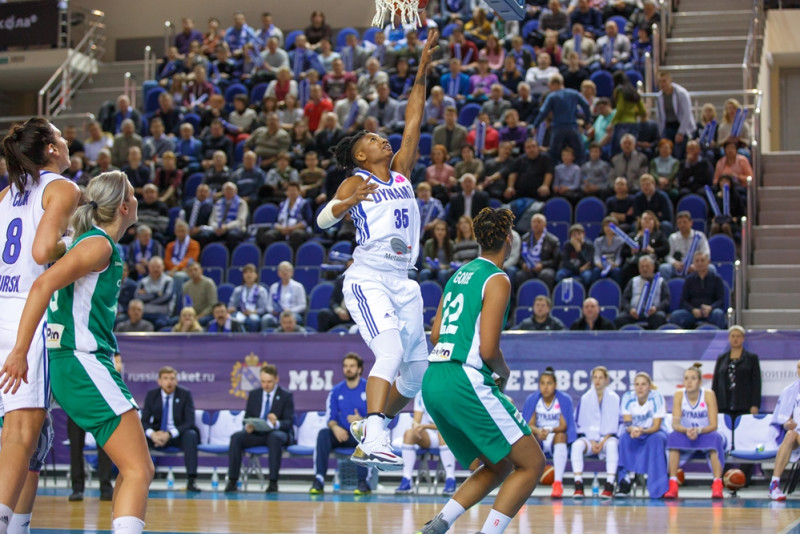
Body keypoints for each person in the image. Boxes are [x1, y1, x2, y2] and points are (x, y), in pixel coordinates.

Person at [0, 171, 153, 534]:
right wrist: (20, 351)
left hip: (79, 361)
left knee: (133, 468)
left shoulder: (90, 242)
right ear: (125, 206)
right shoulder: (97, 245)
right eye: (133, 192)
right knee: (138, 469)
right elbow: (41, 284)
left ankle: (15, 526)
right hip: (81, 360)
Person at [315, 30, 439, 471]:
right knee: (388, 352)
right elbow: (322, 220)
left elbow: (413, 121)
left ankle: (375, 426)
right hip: (368, 278)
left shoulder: (402, 172)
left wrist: (421, 73)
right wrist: (343, 204)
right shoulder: (357, 182)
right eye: (371, 138)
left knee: (418, 373)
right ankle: (376, 428)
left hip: (405, 281)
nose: (381, 138)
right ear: (361, 155)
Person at [416, 207, 544, 534]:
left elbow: (435, 334)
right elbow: (488, 350)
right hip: (464, 379)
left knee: (499, 463)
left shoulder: (458, 274)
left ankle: (440, 523)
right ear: (508, 241)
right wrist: (504, 373)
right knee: (532, 464)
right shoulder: (497, 278)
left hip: (434, 380)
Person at [0, 118, 81, 534]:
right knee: (22, 431)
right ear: (50, 148)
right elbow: (43, 249)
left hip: (2, 302)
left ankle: (19, 526)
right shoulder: (63, 188)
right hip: (26, 314)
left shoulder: (9, 192)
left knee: (30, 433)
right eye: (62, 136)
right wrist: (77, 238)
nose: (68, 142)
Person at [224, 363, 294, 493]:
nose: (266, 385)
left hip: (277, 433)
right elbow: (247, 416)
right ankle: (232, 481)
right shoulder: (254, 394)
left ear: (276, 380)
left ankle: (273, 482)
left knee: (275, 438)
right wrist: (248, 426)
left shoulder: (286, 396)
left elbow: (289, 422)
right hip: (257, 433)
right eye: (263, 382)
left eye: (269, 382)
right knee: (236, 438)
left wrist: (276, 423)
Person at [310, 353, 370, 494]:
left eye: (352, 366)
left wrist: (361, 421)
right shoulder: (336, 391)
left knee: (365, 436)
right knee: (323, 434)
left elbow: (378, 417)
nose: (348, 369)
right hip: (341, 434)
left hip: (360, 433)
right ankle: (319, 479)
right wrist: (335, 428)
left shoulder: (369, 388)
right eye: (345, 366)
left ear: (359, 369)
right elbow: (330, 417)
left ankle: (363, 482)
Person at [664, 363, 726, 500]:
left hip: (706, 433)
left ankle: (717, 484)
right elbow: (675, 424)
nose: (689, 382)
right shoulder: (679, 395)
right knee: (673, 437)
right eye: (686, 378)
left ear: (700, 381)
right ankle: (673, 483)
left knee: (715, 439)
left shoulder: (708, 395)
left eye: (693, 378)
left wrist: (698, 430)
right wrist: (687, 431)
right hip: (688, 434)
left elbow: (713, 425)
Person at [140, 366, 201, 492]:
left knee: (191, 435)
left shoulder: (185, 394)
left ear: (176, 381)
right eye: (166, 378)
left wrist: (169, 434)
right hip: (157, 435)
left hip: (177, 435)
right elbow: (144, 421)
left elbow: (189, 422)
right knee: (138, 436)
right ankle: (139, 479)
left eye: (172, 378)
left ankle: (191, 480)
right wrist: (153, 435)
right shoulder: (152, 395)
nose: (169, 382)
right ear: (159, 381)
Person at [521, 367, 577, 498]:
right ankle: (524, 485)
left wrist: (549, 430)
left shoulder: (562, 400)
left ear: (555, 385)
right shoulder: (534, 400)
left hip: (554, 437)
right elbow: (529, 424)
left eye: (549, 383)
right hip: (539, 438)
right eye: (542, 383)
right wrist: (539, 431)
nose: (545, 387)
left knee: (561, 436)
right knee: (528, 437)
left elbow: (564, 426)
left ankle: (557, 483)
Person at [395, 390, 459, 497]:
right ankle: (407, 480)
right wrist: (416, 427)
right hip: (432, 435)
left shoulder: (450, 390)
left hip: (451, 434)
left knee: (443, 434)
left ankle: (450, 479)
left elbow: (448, 424)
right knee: (409, 434)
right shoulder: (422, 393)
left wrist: (425, 427)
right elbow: (416, 419)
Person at [616, 372, 669, 499]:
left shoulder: (657, 397)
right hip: (635, 432)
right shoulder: (628, 398)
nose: (640, 387)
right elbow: (627, 423)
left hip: (654, 432)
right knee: (623, 439)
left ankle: (657, 486)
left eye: (643, 384)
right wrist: (633, 429)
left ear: (649, 386)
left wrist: (643, 431)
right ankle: (625, 481)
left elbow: (656, 426)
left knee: (656, 440)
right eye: (637, 384)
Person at [572, 366, 620, 498]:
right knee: (577, 446)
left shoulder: (614, 398)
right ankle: (578, 485)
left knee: (612, 445)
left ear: (606, 380)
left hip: (607, 438)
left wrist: (603, 440)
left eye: (601, 377)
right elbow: (580, 423)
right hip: (589, 439)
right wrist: (592, 441)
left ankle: (609, 485)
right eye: (595, 377)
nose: (597, 381)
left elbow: (616, 423)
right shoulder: (585, 398)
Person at [532, 74, 591, 164]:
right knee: (580, 152)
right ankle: (580, 172)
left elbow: (543, 112)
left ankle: (557, 172)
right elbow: (586, 105)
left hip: (558, 128)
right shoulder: (573, 93)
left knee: (553, 153)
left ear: (552, 85)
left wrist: (535, 125)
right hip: (572, 127)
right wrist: (587, 121)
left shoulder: (552, 96)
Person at [711, 326, 761, 422]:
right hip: (724, 405)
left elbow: (756, 383)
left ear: (743, 338)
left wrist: (755, 405)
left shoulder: (752, 359)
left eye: (738, 336)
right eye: (733, 336)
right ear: (729, 338)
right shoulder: (722, 358)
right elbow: (716, 383)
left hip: (744, 405)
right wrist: (713, 404)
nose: (735, 339)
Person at [768, 359, 800, 501]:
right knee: (790, 435)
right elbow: (782, 418)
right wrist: (787, 423)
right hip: (797, 434)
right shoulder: (790, 391)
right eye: (799, 368)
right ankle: (774, 484)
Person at [670, 252, 727, 330]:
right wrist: (693, 310)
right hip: (693, 312)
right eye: (697, 261)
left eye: (702, 260)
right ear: (693, 263)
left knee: (718, 314)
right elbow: (683, 301)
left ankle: (718, 340)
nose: (700, 263)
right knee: (676, 316)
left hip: (711, 311)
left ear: (708, 262)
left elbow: (721, 300)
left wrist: (711, 308)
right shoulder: (689, 280)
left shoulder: (716, 278)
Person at [615, 255, 670, 330]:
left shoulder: (661, 281)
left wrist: (656, 308)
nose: (644, 269)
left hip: (653, 312)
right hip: (635, 312)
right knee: (619, 319)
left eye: (647, 266)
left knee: (660, 317)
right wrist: (630, 309)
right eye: (642, 267)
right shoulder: (633, 281)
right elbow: (625, 300)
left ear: (653, 267)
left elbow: (666, 300)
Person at [660, 211, 711, 280]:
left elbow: (706, 253)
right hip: (679, 267)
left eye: (684, 222)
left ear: (691, 223)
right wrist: (674, 263)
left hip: (696, 265)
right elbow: (668, 256)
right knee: (664, 268)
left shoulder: (699, 236)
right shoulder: (673, 237)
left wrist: (696, 265)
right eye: (679, 223)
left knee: (711, 269)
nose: (682, 225)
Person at [656, 71, 694, 160]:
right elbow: (660, 117)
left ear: (670, 81)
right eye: (660, 82)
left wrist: (681, 132)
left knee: (678, 151)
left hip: (680, 125)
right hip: (668, 126)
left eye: (664, 81)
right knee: (663, 147)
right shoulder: (659, 97)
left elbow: (686, 114)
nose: (662, 84)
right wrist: (662, 133)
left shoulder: (681, 94)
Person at [263, 261, 307, 329]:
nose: (284, 272)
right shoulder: (274, 287)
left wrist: (290, 311)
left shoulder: (298, 286)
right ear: (278, 273)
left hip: (292, 313)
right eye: (282, 270)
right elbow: (268, 305)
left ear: (292, 272)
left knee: (292, 319)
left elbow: (303, 305)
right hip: (277, 314)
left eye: (287, 270)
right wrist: (272, 311)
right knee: (266, 319)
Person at [136, 257, 175, 330]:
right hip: (145, 313)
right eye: (153, 267)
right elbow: (138, 297)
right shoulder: (143, 282)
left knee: (160, 324)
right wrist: (156, 294)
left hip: (162, 314)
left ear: (163, 267)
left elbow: (165, 298)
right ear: (149, 268)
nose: (155, 269)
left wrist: (147, 298)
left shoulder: (168, 281)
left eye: (158, 267)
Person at [228, 264, 269, 332]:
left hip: (254, 314)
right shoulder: (238, 290)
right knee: (231, 319)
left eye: (251, 272)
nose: (248, 275)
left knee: (253, 320)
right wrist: (231, 309)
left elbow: (263, 308)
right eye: (246, 272)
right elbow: (232, 305)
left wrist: (252, 312)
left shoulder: (261, 291)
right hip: (240, 313)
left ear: (256, 275)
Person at [181, 261, 217, 325]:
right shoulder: (186, 286)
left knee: (201, 321)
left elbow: (212, 305)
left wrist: (199, 316)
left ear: (201, 270)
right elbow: (185, 305)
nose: (193, 272)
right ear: (187, 273)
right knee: (174, 321)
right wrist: (188, 317)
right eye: (190, 270)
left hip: (205, 315)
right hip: (190, 315)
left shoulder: (208, 283)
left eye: (195, 269)